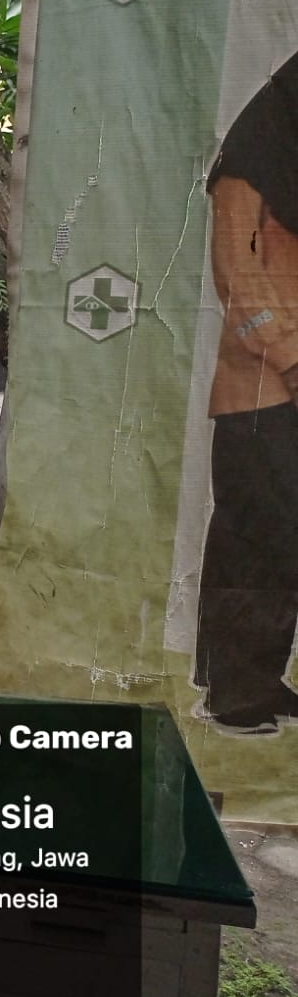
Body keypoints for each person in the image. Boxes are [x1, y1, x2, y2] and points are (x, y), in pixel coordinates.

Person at [192, 48, 298, 732]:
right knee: (259, 531)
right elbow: (236, 269)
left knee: (285, 536)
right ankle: (235, 690)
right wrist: (290, 355)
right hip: (264, 390)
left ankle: (257, 677)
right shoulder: (254, 154)